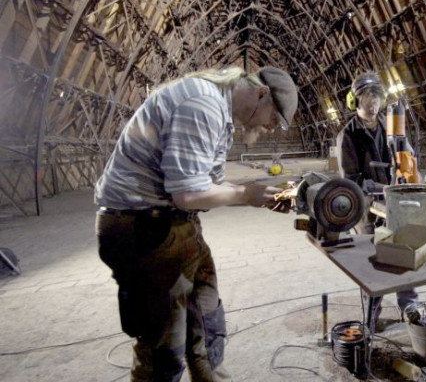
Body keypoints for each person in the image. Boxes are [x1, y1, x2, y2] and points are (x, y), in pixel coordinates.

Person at [94, 66, 297, 382]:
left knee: (206, 316)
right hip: (143, 230)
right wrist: (246, 194)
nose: (271, 128)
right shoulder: (201, 103)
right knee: (163, 349)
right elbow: (188, 194)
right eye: (274, 117)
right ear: (261, 94)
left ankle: (209, 375)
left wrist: (262, 195)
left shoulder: (221, 114)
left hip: (174, 225)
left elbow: (206, 186)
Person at [336, 71, 418, 330]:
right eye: (366, 98)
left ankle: (409, 306)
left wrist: (410, 170)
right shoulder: (348, 135)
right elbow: (350, 179)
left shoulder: (392, 126)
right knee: (374, 262)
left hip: (395, 203)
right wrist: (382, 187)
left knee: (403, 252)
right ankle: (370, 315)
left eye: (376, 98)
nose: (372, 104)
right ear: (355, 101)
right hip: (368, 209)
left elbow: (407, 157)